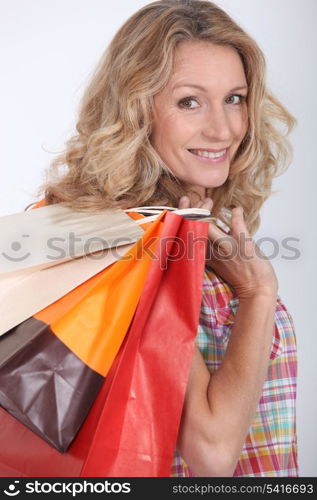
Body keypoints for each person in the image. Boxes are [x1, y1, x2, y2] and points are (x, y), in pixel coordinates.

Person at [37, 0, 298, 477]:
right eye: (188, 101)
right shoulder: (129, 245)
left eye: (234, 98)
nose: (223, 129)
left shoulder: (194, 229)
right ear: (137, 109)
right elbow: (211, 454)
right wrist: (257, 293)